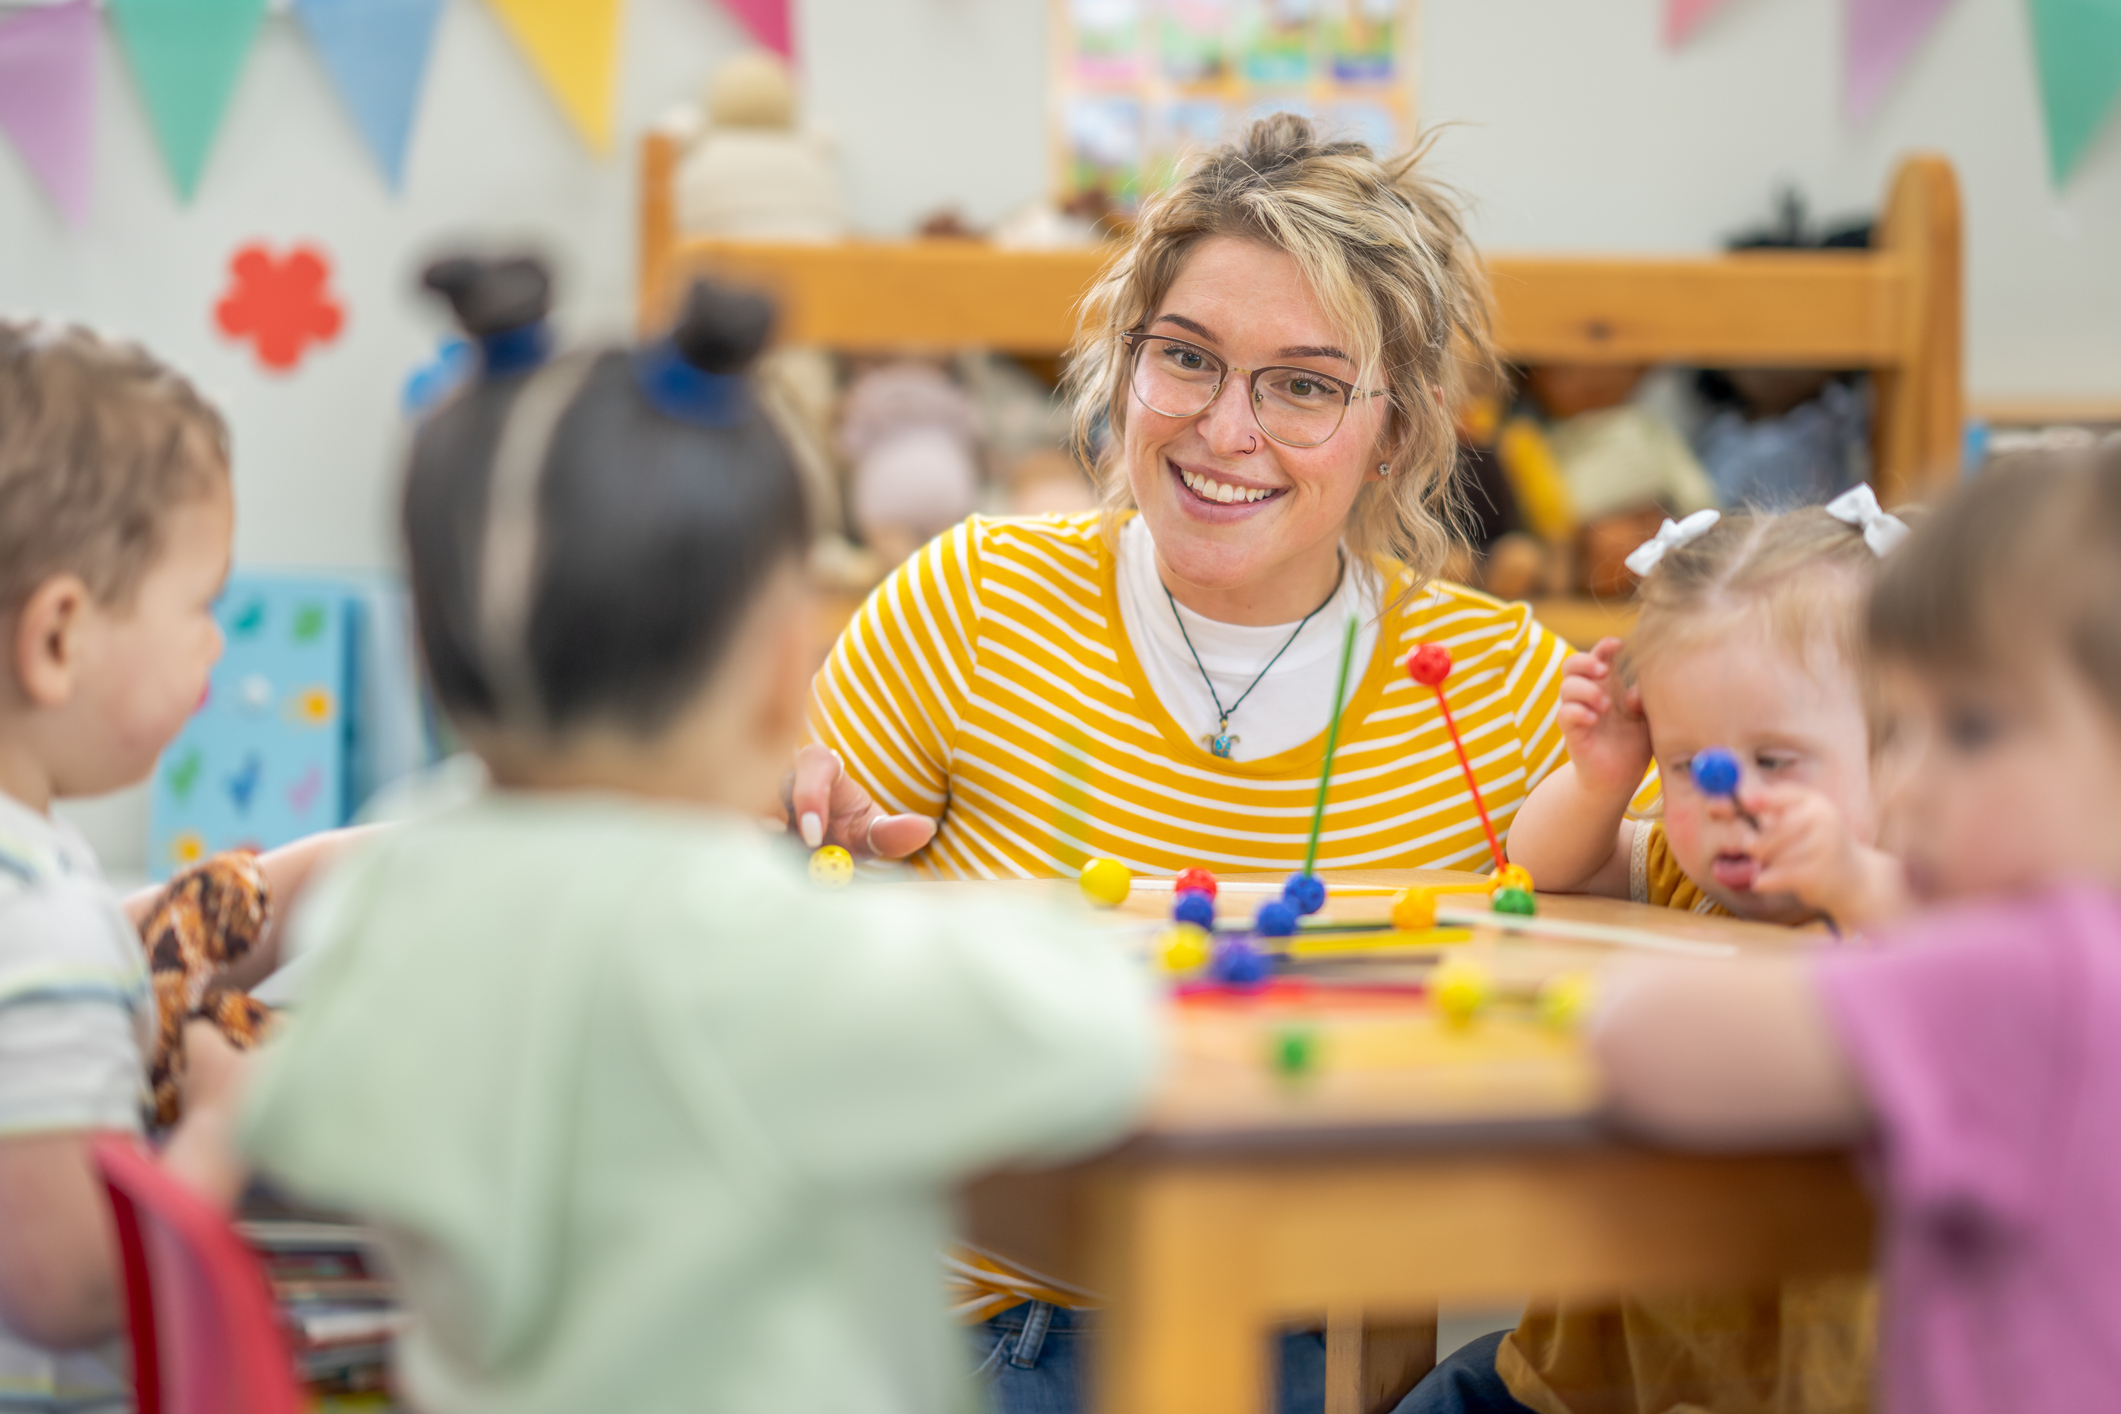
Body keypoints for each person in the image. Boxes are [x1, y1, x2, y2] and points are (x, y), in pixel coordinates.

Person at [237, 259, 1161, 1414]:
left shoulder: (390, 889)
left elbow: (297, 1116)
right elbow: (1097, 1042)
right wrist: (1031, 916)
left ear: (426, 650)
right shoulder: (766, 944)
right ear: (789, 663)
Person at [791, 114, 1574, 1411]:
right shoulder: (978, 599)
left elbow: (1729, 875)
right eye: (1186, 359)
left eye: (1305, 384)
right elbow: (760, 893)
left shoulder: (1495, 686)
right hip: (990, 1335)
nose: (1225, 429)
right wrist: (795, 839)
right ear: (1123, 357)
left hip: (1319, 1351)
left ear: (1399, 425)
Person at [1590, 443, 2121, 1414]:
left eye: (1967, 731)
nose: (1907, 779)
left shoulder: (2033, 973)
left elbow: (1639, 1046)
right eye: (1901, 730)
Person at [1407, 495, 1914, 1413]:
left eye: (1778, 760)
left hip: (1800, 1378)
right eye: (1687, 764)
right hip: (1593, 1365)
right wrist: (1601, 779)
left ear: (1901, 748)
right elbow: (1547, 869)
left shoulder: (1930, 909)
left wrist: (1848, 879)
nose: (1728, 798)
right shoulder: (1691, 880)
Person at [0, 321, 345, 1413]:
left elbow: (112, 954)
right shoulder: (39, 923)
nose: (216, 643)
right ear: (59, 637)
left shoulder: (31, 881)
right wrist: (219, 1129)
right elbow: (75, 1287)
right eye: (200, 606)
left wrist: (305, 877)